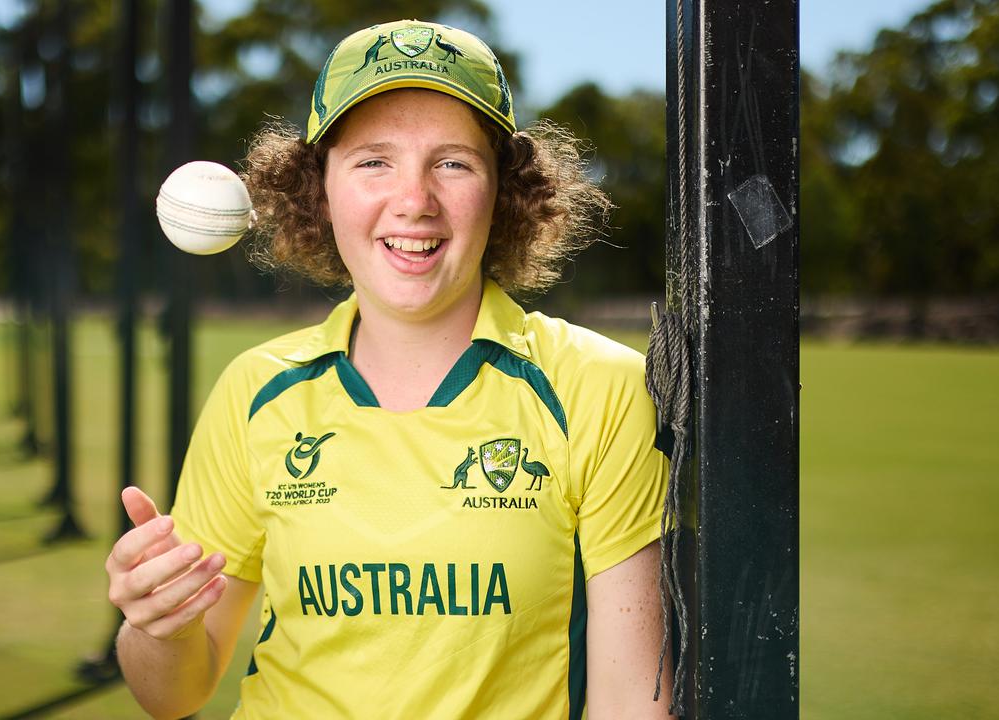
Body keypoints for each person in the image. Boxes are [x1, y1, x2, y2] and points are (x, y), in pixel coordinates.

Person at [106, 19, 674, 719]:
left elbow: (631, 704)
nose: (414, 200)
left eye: (453, 162)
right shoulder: (256, 391)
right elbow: (173, 693)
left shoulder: (598, 388)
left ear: (506, 191)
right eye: (374, 161)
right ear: (319, 191)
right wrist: (158, 624)